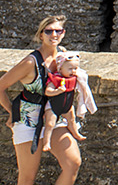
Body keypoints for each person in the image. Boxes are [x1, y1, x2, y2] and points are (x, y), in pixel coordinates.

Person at [1, 16, 82, 185]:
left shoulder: (63, 57)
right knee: (27, 178)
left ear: (63, 33)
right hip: (28, 120)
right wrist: (12, 112)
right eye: (49, 31)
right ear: (41, 35)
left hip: (54, 118)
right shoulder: (30, 62)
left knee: (73, 163)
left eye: (58, 31)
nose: (54, 34)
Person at [40, 54, 87, 153]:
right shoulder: (55, 80)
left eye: (75, 68)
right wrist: (57, 91)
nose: (73, 71)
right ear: (60, 69)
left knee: (72, 119)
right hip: (53, 106)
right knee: (50, 124)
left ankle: (75, 132)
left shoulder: (74, 78)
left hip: (67, 106)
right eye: (70, 69)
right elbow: (47, 91)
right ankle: (46, 141)